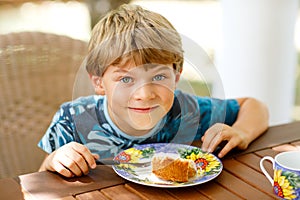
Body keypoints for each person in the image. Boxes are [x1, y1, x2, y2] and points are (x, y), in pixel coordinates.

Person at [38, 4, 269, 178]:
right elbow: (39, 181)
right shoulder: (72, 118)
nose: (145, 94)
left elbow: (254, 106)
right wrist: (53, 160)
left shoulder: (186, 110)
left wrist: (241, 133)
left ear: (176, 77)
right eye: (126, 79)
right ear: (99, 83)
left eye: (158, 77)